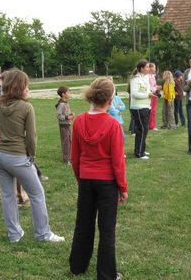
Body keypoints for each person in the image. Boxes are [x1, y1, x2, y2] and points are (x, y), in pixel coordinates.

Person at [0, 69, 64, 243]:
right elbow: (31, 136)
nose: (28, 88)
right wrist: (32, 156)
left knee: (7, 195)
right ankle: (43, 234)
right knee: (37, 194)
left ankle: (14, 234)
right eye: (26, 85)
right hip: (18, 157)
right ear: (20, 87)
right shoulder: (26, 107)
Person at [69, 77, 127, 280]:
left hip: (86, 179)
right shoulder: (113, 125)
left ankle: (77, 266)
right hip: (107, 183)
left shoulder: (79, 121)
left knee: (83, 224)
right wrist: (122, 187)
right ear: (110, 100)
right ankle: (106, 274)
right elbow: (118, 161)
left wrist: (80, 177)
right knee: (107, 229)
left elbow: (74, 157)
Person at [129, 60, 156, 160]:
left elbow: (147, 90)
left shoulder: (146, 77)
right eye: (147, 67)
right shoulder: (135, 79)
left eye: (149, 67)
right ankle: (139, 153)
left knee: (145, 129)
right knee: (142, 129)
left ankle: (141, 149)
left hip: (146, 106)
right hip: (138, 108)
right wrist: (147, 94)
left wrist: (151, 93)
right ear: (141, 68)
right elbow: (134, 94)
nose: (149, 69)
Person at [56, 86, 75, 165]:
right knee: (65, 142)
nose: (69, 94)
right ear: (63, 94)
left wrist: (71, 115)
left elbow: (66, 114)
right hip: (63, 126)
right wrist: (68, 117)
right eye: (68, 92)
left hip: (67, 124)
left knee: (70, 141)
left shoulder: (66, 103)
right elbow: (59, 116)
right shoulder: (61, 104)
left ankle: (70, 158)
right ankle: (66, 160)